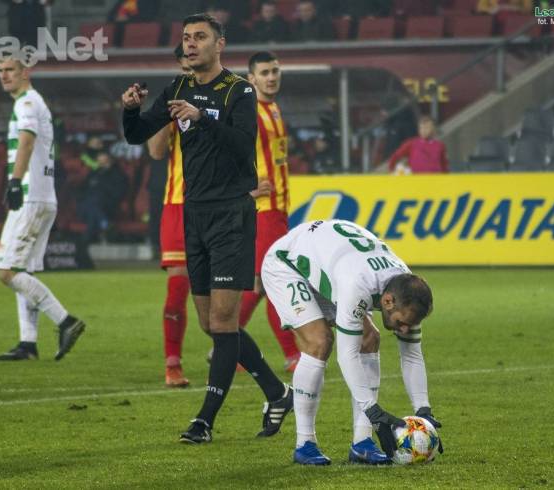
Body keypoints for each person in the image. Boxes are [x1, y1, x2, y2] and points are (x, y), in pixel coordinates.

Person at [122, 13, 293, 444]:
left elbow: (242, 144)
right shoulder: (177, 88)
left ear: (220, 44)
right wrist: (130, 110)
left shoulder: (239, 90)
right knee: (211, 324)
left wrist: (202, 118)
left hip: (232, 214)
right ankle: (277, 392)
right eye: (186, 37)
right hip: (193, 215)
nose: (191, 43)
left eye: (200, 37)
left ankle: (204, 421)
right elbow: (138, 135)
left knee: (222, 319)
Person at [261, 219, 443, 465]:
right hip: (287, 264)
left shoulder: (407, 292)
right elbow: (347, 355)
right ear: (387, 302)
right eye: (402, 322)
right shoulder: (358, 285)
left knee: (370, 338)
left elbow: (411, 354)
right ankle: (304, 444)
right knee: (320, 341)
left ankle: (362, 444)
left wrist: (423, 409)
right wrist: (372, 410)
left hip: (331, 262)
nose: (404, 329)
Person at [0, 56, 85, 362]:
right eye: (0, 71)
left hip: (30, 197)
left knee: (7, 271)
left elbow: (27, 142)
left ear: (25, 72)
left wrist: (14, 182)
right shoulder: (32, 102)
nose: (4, 75)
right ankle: (28, 344)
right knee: (23, 271)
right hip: (42, 197)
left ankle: (65, 321)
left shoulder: (27, 103)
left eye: (10, 70)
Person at [241, 51, 300, 371]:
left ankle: (227, 344)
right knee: (275, 280)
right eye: (264, 73)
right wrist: (244, 191)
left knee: (261, 284)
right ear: (251, 79)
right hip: (263, 210)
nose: (272, 77)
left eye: (275, 71)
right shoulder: (248, 113)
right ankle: (292, 354)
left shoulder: (273, 109)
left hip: (278, 209)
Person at [145, 43, 194, 387]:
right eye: (185, 67)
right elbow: (156, 151)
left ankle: (231, 352)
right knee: (177, 288)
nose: (190, 72)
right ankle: (172, 363)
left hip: (218, 207)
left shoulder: (228, 97)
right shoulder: (171, 101)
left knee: (222, 295)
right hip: (179, 205)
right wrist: (166, 113)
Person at [76, 152, 129, 245]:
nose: (102, 164)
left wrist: (103, 188)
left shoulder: (118, 174)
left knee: (93, 206)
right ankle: (105, 224)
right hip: (87, 205)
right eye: (100, 162)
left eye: (105, 162)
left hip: (107, 204)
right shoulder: (93, 173)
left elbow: (119, 193)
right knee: (91, 204)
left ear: (111, 161)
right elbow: (82, 189)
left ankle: (89, 235)